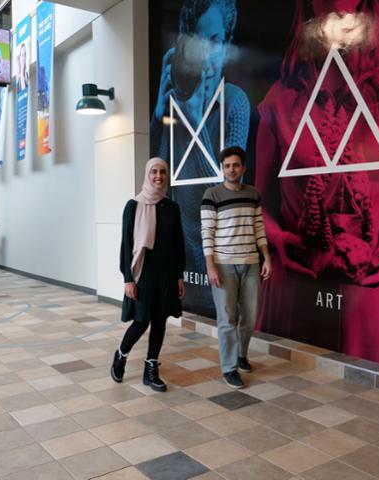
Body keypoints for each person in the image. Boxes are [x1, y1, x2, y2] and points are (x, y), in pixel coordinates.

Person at [255, 0, 379, 371]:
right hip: (294, 293)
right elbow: (258, 202)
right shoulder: (282, 95)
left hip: (371, 302)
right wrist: (275, 236)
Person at [151, 0, 250, 312]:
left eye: (216, 41)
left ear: (228, 43)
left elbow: (228, 188)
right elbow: (159, 181)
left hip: (220, 256)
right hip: (183, 258)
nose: (207, 54)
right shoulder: (174, 108)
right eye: (198, 43)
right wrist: (158, 116)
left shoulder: (235, 103)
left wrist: (194, 120)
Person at [111, 158, 186, 392]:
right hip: (143, 272)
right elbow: (126, 245)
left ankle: (151, 367)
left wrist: (178, 275)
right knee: (141, 321)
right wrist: (127, 278)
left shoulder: (171, 207)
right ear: (147, 174)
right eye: (154, 171)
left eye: (163, 172)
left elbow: (178, 244)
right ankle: (121, 354)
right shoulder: (133, 206)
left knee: (161, 321)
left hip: (166, 274)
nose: (158, 176)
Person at [201, 146, 272, 389]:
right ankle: (229, 368)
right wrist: (210, 266)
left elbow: (259, 228)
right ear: (222, 169)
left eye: (236, 165)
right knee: (227, 318)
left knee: (250, 317)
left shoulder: (253, 194)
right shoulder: (212, 195)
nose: (231, 169)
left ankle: (241, 354)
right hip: (223, 265)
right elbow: (206, 234)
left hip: (251, 263)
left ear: (243, 168)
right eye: (227, 166)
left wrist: (267, 257)